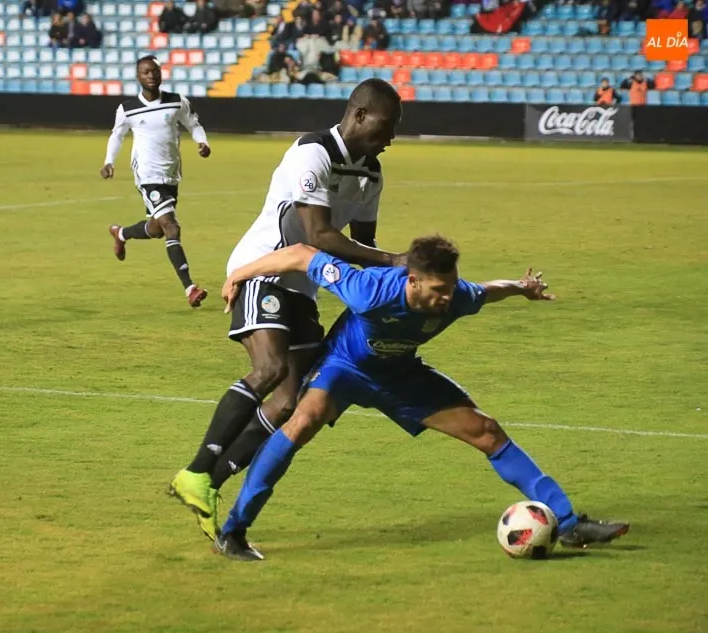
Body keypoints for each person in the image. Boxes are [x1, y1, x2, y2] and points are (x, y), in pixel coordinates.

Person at [211, 237, 631, 560]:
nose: (445, 298)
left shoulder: (456, 298)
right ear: (411, 280)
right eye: (436, 289)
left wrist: (522, 287)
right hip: (344, 367)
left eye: (449, 287)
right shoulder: (368, 290)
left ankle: (570, 523)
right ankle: (233, 531)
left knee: (487, 432)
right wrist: (238, 275)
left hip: (400, 376)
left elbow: (487, 290)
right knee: (301, 423)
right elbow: (303, 253)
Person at [169, 78, 407, 540]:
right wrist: (395, 261)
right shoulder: (311, 152)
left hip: (305, 286)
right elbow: (319, 236)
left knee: (290, 403)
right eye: (387, 125)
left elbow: (364, 244)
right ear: (358, 115)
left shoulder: (372, 173)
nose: (392, 136)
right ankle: (198, 468)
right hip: (264, 270)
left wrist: (384, 285)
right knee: (272, 368)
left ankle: (206, 484)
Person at [101, 55, 211, 308]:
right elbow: (117, 136)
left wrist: (202, 142)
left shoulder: (177, 101)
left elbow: (193, 124)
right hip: (147, 173)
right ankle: (190, 288)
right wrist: (109, 161)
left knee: (158, 227)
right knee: (172, 227)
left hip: (171, 172)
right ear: (138, 76)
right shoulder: (127, 108)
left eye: (155, 71)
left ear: (161, 74)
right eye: (146, 72)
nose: (151, 75)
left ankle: (122, 233)